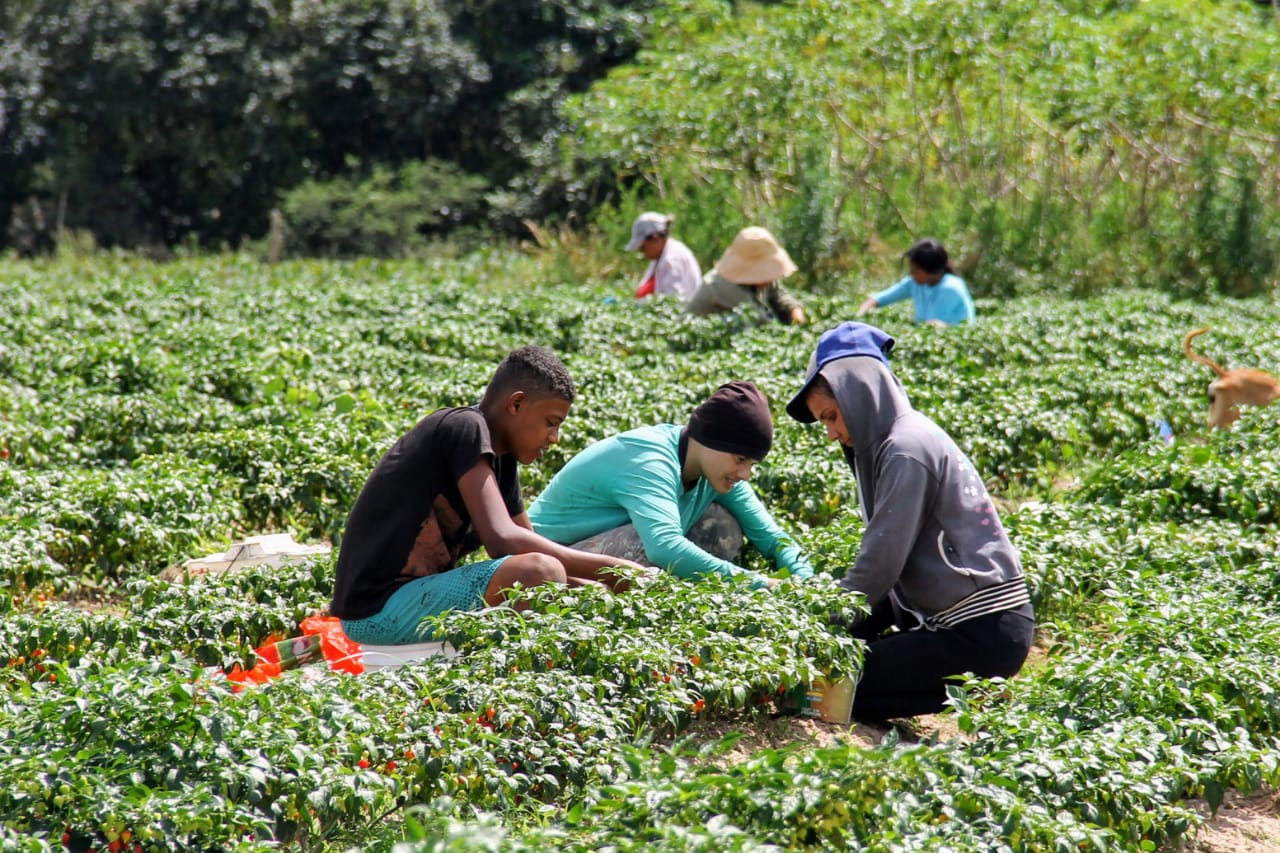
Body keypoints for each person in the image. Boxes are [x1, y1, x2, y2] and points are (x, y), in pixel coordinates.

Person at [786, 321, 1033, 720]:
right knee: (852, 695)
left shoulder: (905, 449)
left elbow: (880, 565)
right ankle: (972, 691)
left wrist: (817, 630)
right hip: (985, 630)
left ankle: (978, 685)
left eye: (831, 416)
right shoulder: (903, 439)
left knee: (818, 686)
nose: (831, 434)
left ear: (860, 394)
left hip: (980, 630)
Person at [330, 346, 642, 645]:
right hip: (375, 609)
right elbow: (502, 540)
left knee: (560, 579)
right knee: (540, 572)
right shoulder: (464, 427)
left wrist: (596, 590)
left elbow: (524, 541)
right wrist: (616, 569)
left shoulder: (502, 461)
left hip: (414, 599)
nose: (554, 438)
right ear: (516, 404)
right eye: (551, 423)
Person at [528, 381, 814, 589]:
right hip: (545, 560)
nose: (745, 474)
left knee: (720, 523)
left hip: (598, 552)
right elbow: (664, 548)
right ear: (710, 441)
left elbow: (772, 537)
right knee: (649, 541)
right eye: (740, 459)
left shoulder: (716, 470)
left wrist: (807, 582)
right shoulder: (650, 459)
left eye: (751, 464)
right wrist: (759, 583)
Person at [687, 226, 808, 325]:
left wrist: (795, 310)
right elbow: (761, 321)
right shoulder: (722, 286)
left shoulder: (763, 280)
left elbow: (778, 294)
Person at [857, 238, 975, 327]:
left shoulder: (950, 288)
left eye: (915, 270)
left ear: (930, 270)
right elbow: (882, 298)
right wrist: (860, 313)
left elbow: (933, 326)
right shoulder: (915, 282)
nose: (911, 274)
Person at [626, 212, 701, 302]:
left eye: (642, 247)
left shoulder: (672, 259)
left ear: (655, 238)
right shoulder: (660, 256)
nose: (642, 251)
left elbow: (673, 300)